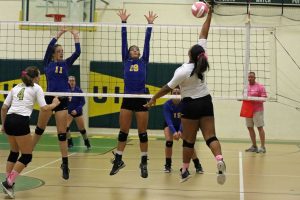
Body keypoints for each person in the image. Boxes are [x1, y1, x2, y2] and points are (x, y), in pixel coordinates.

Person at [144, 4, 226, 184]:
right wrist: (209, 15)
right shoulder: (202, 62)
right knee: (210, 137)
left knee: (188, 141)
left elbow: (167, 88)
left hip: (190, 105)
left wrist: (153, 98)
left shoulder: (182, 71)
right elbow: (204, 33)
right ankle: (219, 159)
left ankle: (185, 170)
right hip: (205, 101)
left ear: (190, 53)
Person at [109, 9, 158, 178]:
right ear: (129, 52)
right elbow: (124, 41)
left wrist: (149, 25)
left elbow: (147, 42)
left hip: (141, 98)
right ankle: (119, 160)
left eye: (137, 50)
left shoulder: (144, 61)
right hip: (128, 98)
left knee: (142, 133)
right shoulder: (126, 60)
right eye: (133, 49)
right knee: (123, 131)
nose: (136, 50)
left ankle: (143, 162)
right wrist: (123, 23)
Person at [0, 66, 60, 199]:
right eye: (39, 76)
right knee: (27, 156)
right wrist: (55, 104)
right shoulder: (36, 88)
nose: (40, 78)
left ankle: (9, 184)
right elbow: (44, 109)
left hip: (9, 119)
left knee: (14, 152)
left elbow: (4, 108)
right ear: (34, 78)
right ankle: (9, 182)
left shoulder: (15, 87)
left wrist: (3, 125)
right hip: (20, 121)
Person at [32, 29, 81, 180]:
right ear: (53, 54)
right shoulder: (47, 63)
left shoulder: (66, 63)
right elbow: (48, 48)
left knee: (62, 133)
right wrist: (57, 36)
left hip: (62, 99)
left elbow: (78, 52)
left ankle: (65, 163)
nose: (61, 53)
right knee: (39, 129)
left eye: (62, 51)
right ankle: (28, 152)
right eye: (58, 51)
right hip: (49, 98)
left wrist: (76, 37)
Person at [163, 87, 204, 174]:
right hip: (170, 125)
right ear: (171, 94)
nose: (176, 95)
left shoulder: (184, 104)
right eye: (174, 93)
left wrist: (180, 131)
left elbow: (184, 120)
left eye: (178, 93)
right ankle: (168, 165)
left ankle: (198, 165)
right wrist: (174, 132)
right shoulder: (167, 104)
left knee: (188, 144)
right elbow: (168, 120)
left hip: (183, 124)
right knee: (168, 142)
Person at [244, 71, 267, 153]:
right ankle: (254, 146)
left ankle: (263, 147)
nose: (250, 78)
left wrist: (254, 99)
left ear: (254, 78)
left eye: (251, 77)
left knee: (259, 127)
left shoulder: (260, 87)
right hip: (248, 110)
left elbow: (264, 98)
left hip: (257, 111)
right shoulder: (246, 87)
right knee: (249, 127)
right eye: (249, 77)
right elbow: (243, 96)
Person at [66, 75, 91, 149]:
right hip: (69, 112)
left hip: (77, 112)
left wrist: (77, 110)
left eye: (73, 80)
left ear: (75, 82)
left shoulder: (79, 90)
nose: (71, 82)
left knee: (82, 129)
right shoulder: (66, 90)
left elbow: (83, 102)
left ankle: (86, 141)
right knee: (66, 127)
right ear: (68, 82)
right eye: (70, 80)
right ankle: (70, 141)